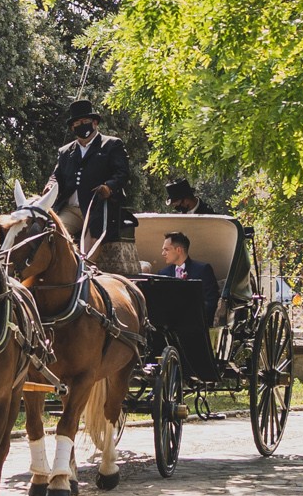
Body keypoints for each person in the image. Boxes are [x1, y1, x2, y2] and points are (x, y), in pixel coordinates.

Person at [45, 99, 138, 275]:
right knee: (51, 233)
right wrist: (50, 186)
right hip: (70, 209)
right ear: (72, 128)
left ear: (94, 122)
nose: (81, 126)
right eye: (77, 123)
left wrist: (109, 187)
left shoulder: (111, 144)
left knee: (85, 255)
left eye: (84, 122)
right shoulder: (65, 151)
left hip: (97, 209)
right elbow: (56, 175)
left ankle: (82, 281)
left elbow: (122, 173)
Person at [161, 230, 220, 329]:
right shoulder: (162, 274)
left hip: (196, 327)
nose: (163, 253)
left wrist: (190, 319)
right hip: (168, 329)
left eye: (166, 249)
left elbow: (211, 301)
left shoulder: (203, 270)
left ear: (179, 250)